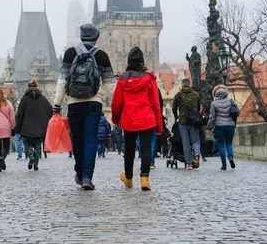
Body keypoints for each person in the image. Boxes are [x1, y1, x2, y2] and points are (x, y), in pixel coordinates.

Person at [53, 23, 116, 190]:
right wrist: (116, 105)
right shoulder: (102, 55)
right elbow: (110, 85)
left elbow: (62, 81)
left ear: (81, 37)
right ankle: (87, 176)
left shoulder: (70, 53)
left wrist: (57, 104)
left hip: (74, 102)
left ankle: (79, 173)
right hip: (94, 102)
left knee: (78, 139)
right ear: (96, 38)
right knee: (90, 139)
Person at [112, 47, 163, 191]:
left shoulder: (122, 79)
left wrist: (116, 118)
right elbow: (156, 103)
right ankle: (144, 179)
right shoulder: (149, 78)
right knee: (146, 148)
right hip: (147, 118)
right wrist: (159, 125)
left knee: (129, 149)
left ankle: (128, 178)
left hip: (129, 119)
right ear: (142, 62)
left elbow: (117, 103)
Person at [15, 80, 53, 171]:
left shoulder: (25, 98)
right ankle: (36, 164)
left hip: (26, 127)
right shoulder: (42, 98)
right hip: (40, 127)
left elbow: (20, 113)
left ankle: (31, 156)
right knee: (37, 146)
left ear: (28, 87)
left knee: (27, 144)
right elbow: (50, 110)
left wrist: (18, 125)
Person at [172, 78, 202, 170]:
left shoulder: (178, 95)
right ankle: (197, 154)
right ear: (190, 84)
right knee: (196, 141)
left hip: (183, 122)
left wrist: (176, 116)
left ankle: (189, 164)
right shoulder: (196, 94)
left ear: (182, 85)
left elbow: (174, 107)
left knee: (186, 143)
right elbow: (198, 108)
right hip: (194, 121)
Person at [207, 85, 236, 170]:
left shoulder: (214, 103)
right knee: (229, 143)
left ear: (215, 94)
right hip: (230, 125)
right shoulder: (230, 101)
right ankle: (230, 157)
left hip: (219, 126)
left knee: (221, 145)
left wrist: (209, 127)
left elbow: (212, 117)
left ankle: (224, 164)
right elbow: (236, 111)